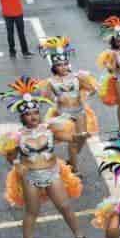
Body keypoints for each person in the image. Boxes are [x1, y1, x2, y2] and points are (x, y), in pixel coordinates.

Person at [0, 78, 85, 238]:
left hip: (52, 172)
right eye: (28, 114)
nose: (33, 117)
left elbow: (71, 140)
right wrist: (17, 164)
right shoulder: (16, 136)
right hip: (30, 177)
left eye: (35, 112)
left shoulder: (50, 129)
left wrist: (81, 138)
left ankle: (79, 235)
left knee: (64, 206)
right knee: (32, 211)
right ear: (22, 116)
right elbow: (10, 156)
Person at [34, 36, 99, 178]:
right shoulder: (50, 82)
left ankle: (72, 158)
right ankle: (75, 169)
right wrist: (53, 99)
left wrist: (87, 92)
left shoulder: (77, 77)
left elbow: (92, 89)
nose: (63, 67)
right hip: (64, 115)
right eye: (60, 65)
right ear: (54, 67)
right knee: (73, 141)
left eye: (65, 64)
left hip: (80, 112)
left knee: (82, 139)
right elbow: (45, 98)